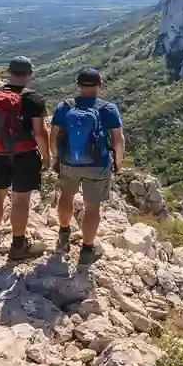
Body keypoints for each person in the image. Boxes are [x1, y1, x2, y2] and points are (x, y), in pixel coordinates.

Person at [50, 68, 125, 265]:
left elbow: (53, 134)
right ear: (100, 85)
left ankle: (64, 235)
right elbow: (118, 140)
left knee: (66, 196)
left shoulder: (65, 107)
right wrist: (117, 162)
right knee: (92, 207)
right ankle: (86, 250)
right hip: (97, 164)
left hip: (68, 161)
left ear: (78, 85)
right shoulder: (108, 109)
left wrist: (56, 158)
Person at [0, 56, 51, 260]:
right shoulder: (33, 99)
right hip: (24, 154)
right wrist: (47, 157)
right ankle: (18, 245)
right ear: (29, 75)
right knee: (20, 199)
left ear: (9, 72)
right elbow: (39, 132)